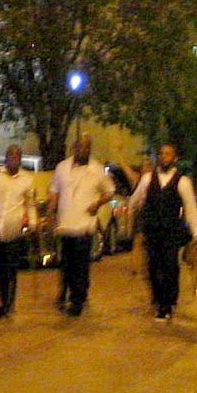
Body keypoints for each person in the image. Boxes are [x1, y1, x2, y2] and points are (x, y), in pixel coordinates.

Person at [129, 143, 197, 322]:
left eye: (168, 154)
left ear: (175, 158)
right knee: (153, 267)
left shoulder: (182, 181)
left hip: (171, 231)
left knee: (170, 266)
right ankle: (157, 298)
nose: (164, 157)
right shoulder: (148, 179)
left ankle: (167, 304)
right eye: (162, 154)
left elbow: (191, 208)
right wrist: (135, 215)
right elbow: (136, 199)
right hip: (152, 231)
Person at [47, 132, 115, 316]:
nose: (83, 150)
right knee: (66, 263)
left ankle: (77, 300)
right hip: (65, 224)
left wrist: (97, 204)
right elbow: (54, 191)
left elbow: (110, 191)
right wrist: (50, 212)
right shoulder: (62, 168)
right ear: (73, 148)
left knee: (80, 264)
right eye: (80, 146)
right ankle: (67, 292)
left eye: (87, 146)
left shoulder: (97, 169)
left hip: (84, 225)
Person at [0, 144, 35, 318]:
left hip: (14, 230)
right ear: (5, 158)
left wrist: (32, 223)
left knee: (10, 268)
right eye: (10, 155)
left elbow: (30, 203)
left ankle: (8, 303)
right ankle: (3, 299)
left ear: (20, 159)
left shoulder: (27, 179)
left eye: (16, 156)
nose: (13, 159)